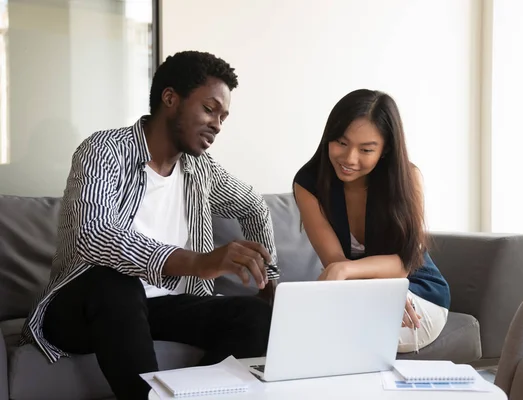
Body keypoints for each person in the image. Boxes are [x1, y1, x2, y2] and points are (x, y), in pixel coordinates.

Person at [20, 51, 280, 400]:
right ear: (170, 99)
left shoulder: (201, 171)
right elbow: (93, 235)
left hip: (162, 306)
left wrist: (270, 281)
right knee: (116, 282)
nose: (218, 124)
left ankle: (196, 395)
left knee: (255, 316)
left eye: (223, 116)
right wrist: (197, 262)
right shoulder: (104, 150)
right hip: (86, 306)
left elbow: (254, 207)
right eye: (209, 108)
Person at [293, 89, 450, 353]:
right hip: (353, 293)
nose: (349, 159)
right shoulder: (309, 183)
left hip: (416, 293)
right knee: (303, 326)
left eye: (366, 149)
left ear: (385, 149)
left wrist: (369, 285)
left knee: (345, 333)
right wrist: (361, 286)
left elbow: (403, 264)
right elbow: (334, 263)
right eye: (341, 143)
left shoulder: (407, 179)